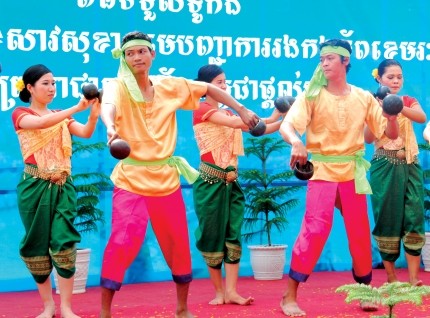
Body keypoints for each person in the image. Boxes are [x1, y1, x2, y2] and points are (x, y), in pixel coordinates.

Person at [99, 31, 259, 318]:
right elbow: (108, 106)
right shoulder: (116, 86)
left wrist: (242, 109)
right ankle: (105, 312)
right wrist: (111, 129)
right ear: (124, 58)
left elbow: (209, 90)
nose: (136, 57)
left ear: (152, 54)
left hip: (165, 178)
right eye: (130, 53)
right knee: (122, 240)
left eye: (141, 51)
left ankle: (182, 309)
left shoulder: (168, 86)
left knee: (177, 242)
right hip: (131, 178)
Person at [278, 39, 400, 317]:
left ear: (346, 61)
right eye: (322, 59)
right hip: (321, 170)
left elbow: (387, 135)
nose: (324, 63)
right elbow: (287, 125)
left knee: (359, 232)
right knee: (316, 228)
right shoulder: (312, 94)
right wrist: (296, 142)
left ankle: (365, 291)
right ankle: (289, 295)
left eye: (331, 58)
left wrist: (391, 117)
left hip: (352, 172)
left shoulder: (362, 97)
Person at [11, 64, 100, 318]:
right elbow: (41, 123)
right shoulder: (20, 113)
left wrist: (93, 112)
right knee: (37, 244)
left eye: (53, 83)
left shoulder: (61, 114)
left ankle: (66, 308)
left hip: (63, 187)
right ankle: (48, 306)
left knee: (64, 242)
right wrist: (76, 108)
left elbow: (85, 131)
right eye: (45, 84)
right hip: (34, 188)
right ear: (30, 88)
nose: (51, 88)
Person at [192, 64, 285, 306]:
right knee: (211, 236)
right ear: (205, 87)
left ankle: (231, 292)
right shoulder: (200, 109)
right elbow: (242, 124)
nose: (224, 86)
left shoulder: (231, 114)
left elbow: (260, 127)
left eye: (225, 82)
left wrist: (282, 119)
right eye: (219, 82)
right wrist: (259, 120)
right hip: (209, 183)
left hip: (232, 183)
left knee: (233, 235)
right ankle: (218, 292)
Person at [365, 59, 426, 286]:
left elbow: (421, 118)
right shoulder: (371, 103)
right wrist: (381, 109)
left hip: (410, 164)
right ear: (379, 79)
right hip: (384, 166)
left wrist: (397, 105)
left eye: (399, 77)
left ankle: (412, 278)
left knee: (414, 216)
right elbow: (368, 138)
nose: (396, 81)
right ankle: (391, 277)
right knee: (387, 218)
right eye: (390, 77)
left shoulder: (407, 100)